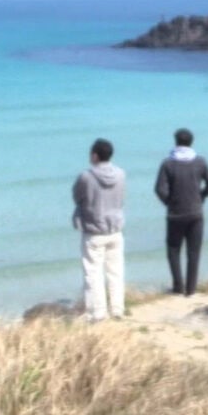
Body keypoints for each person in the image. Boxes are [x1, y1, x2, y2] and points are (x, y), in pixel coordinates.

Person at [155, 128, 208, 296]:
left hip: (175, 214)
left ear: (176, 142)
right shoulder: (200, 162)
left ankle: (178, 286)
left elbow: (159, 189)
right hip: (196, 213)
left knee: (173, 250)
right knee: (194, 252)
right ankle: (191, 289)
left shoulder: (168, 163)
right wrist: (201, 196)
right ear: (191, 142)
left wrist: (169, 201)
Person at [72, 138, 126, 322]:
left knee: (93, 273)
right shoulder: (121, 174)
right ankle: (117, 309)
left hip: (94, 231)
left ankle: (97, 313)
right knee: (115, 272)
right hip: (115, 229)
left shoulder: (86, 176)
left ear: (95, 155)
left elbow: (77, 196)